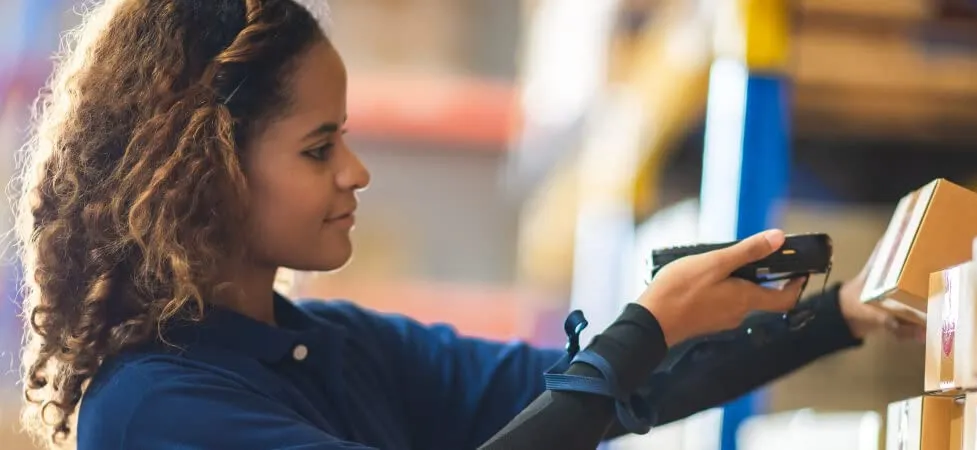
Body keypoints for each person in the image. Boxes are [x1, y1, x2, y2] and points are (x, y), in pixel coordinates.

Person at [16, 1, 920, 449]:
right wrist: (648, 325)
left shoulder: (327, 346)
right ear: (205, 168)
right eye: (318, 147)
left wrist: (837, 317)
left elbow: (591, 391)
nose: (354, 171)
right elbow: (601, 381)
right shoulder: (156, 411)